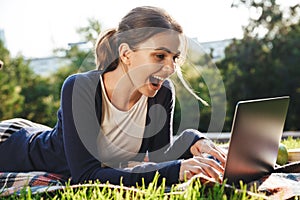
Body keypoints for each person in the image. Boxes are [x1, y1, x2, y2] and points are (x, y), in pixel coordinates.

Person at [0, 6, 226, 186]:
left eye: (174, 58)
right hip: (12, 146)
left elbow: (159, 159)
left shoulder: (162, 92)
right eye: (159, 56)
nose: (170, 68)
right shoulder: (80, 87)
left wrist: (193, 139)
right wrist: (176, 171)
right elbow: (86, 175)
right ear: (126, 54)